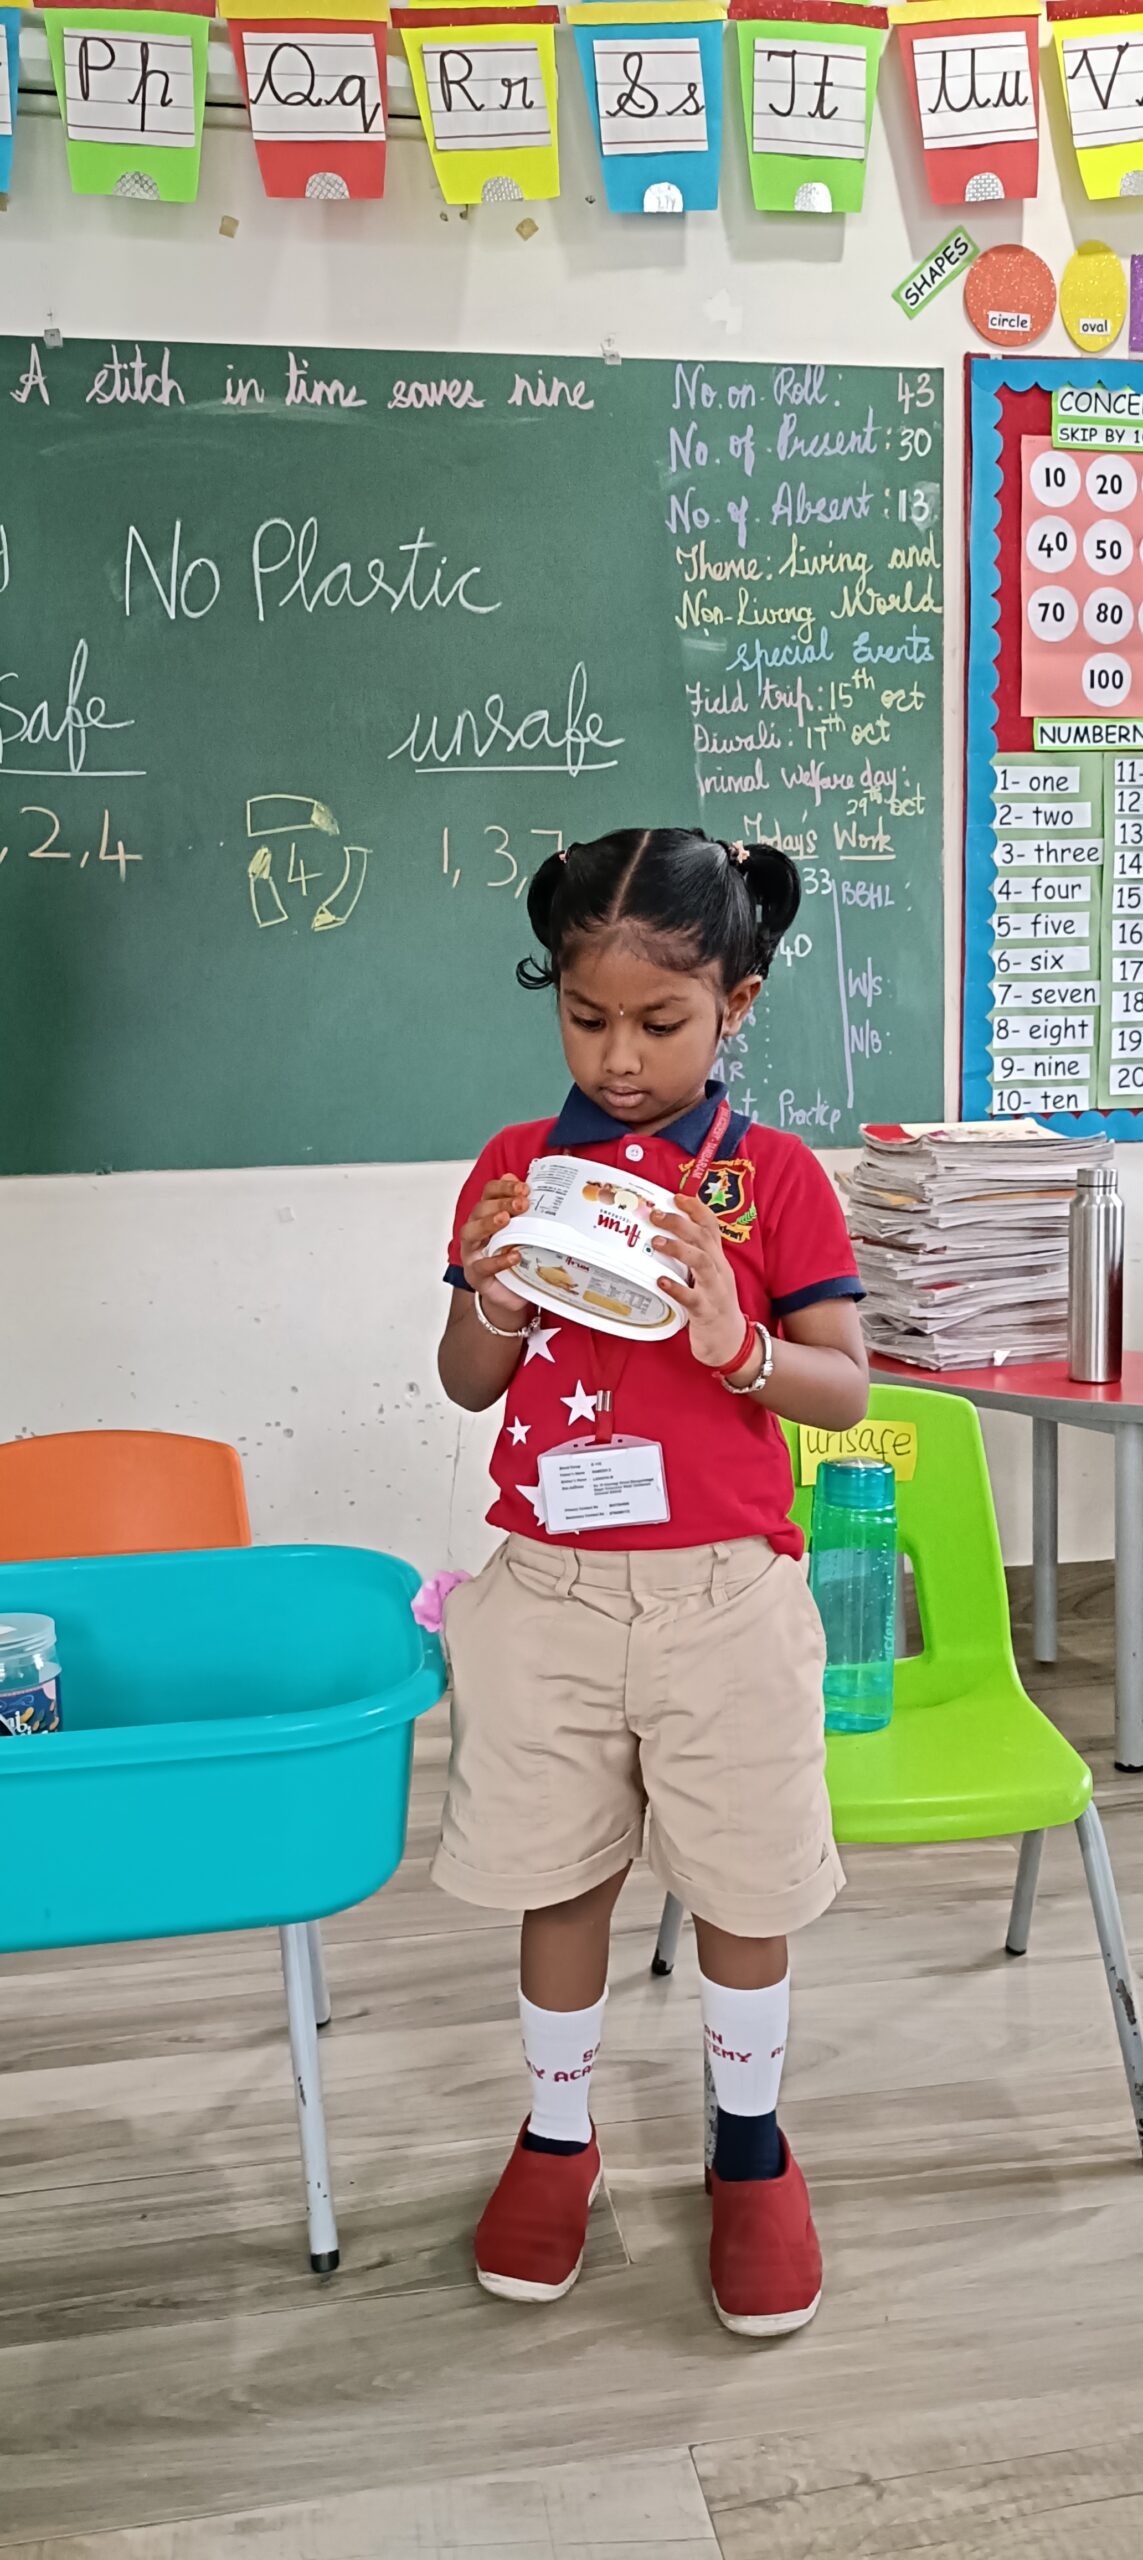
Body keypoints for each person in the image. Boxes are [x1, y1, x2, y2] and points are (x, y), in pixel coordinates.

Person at [435, 827, 868, 2337]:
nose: (620, 1058)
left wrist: (738, 1346)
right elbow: (466, 1382)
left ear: (736, 1003)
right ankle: (559, 2135)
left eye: (662, 1022)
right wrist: (492, 1294)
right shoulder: (519, 1167)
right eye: (586, 1017)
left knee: (746, 1887)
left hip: (723, 1599)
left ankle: (750, 2148)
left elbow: (843, 1387)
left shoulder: (774, 1178)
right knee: (559, 1879)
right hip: (547, 1592)